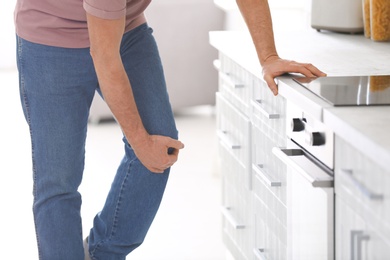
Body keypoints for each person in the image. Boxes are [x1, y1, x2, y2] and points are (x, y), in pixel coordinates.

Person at [14, 0, 325, 259]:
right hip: (49, 41)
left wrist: (268, 56)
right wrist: (139, 140)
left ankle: (102, 255)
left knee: (159, 145)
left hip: (125, 29)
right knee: (58, 181)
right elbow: (104, 57)